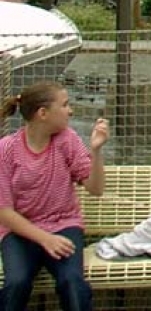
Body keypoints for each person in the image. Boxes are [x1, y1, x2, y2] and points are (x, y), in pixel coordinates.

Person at [0, 82, 110, 311]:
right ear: (43, 113)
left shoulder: (67, 140)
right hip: (20, 231)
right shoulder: (6, 150)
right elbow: (4, 212)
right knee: (16, 282)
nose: (70, 111)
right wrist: (44, 238)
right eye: (64, 105)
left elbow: (96, 189)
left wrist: (97, 151)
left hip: (63, 225)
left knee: (72, 283)